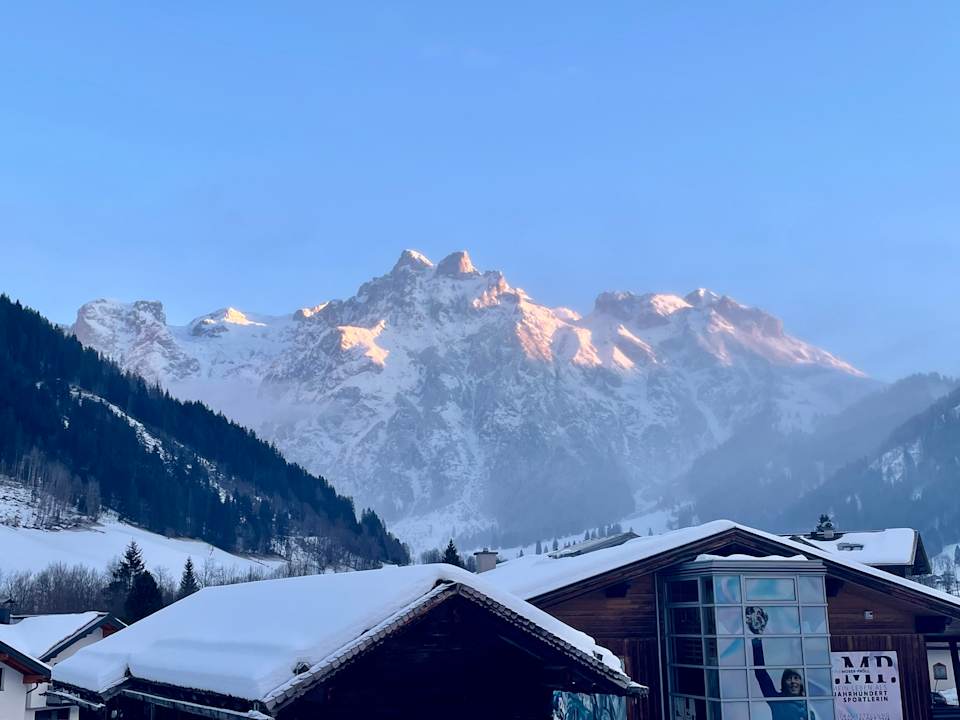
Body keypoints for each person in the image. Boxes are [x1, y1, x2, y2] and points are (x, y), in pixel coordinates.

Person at [747, 606, 809, 720]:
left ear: (801, 682)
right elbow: (761, 674)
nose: (793, 682)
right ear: (783, 683)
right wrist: (757, 639)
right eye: (789, 678)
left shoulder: (808, 708)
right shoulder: (777, 700)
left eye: (796, 678)